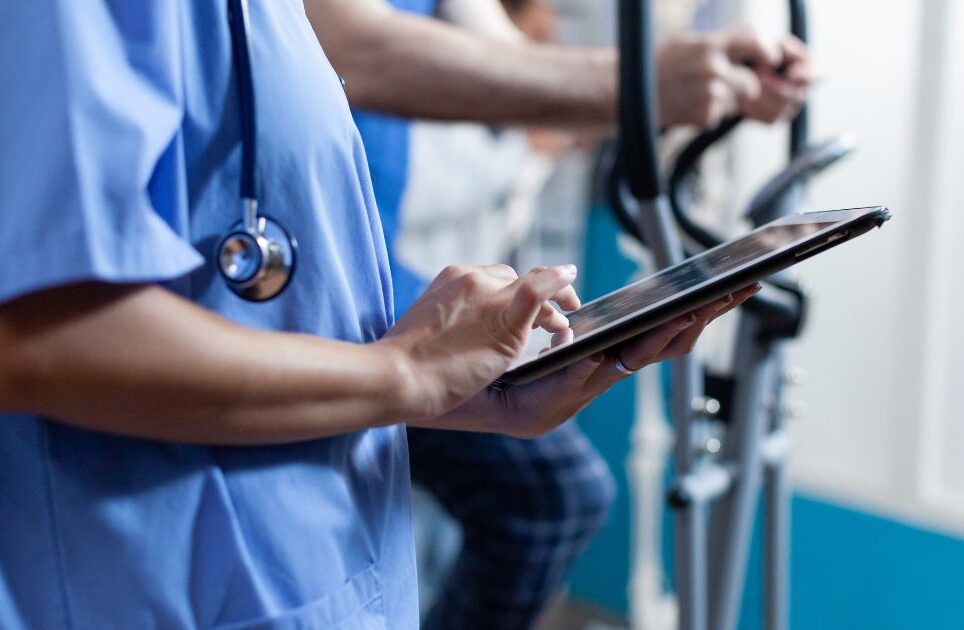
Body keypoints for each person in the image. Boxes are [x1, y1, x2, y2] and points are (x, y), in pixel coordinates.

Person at [0, 2, 760, 628]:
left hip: (311, 569)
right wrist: (402, 371)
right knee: (547, 496)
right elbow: (34, 335)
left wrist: (455, 392)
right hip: (154, 587)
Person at [305, 0, 815, 627]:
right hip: (321, 288)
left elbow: (517, 66)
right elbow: (349, 46)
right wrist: (640, 84)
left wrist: (672, 80)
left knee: (545, 489)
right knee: (552, 493)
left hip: (368, 272)